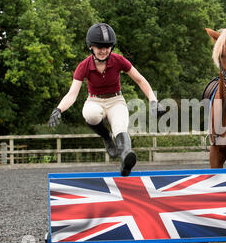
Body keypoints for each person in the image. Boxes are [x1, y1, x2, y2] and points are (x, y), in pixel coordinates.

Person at [48, 23, 165, 176]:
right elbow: (72, 94)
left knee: (120, 127)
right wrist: (58, 109)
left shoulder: (118, 60)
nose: (103, 51)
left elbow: (140, 80)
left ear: (112, 47)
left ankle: (126, 159)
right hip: (94, 100)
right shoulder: (84, 66)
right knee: (91, 114)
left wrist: (153, 101)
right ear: (91, 47)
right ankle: (106, 136)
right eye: (99, 47)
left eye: (107, 47)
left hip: (116, 100)